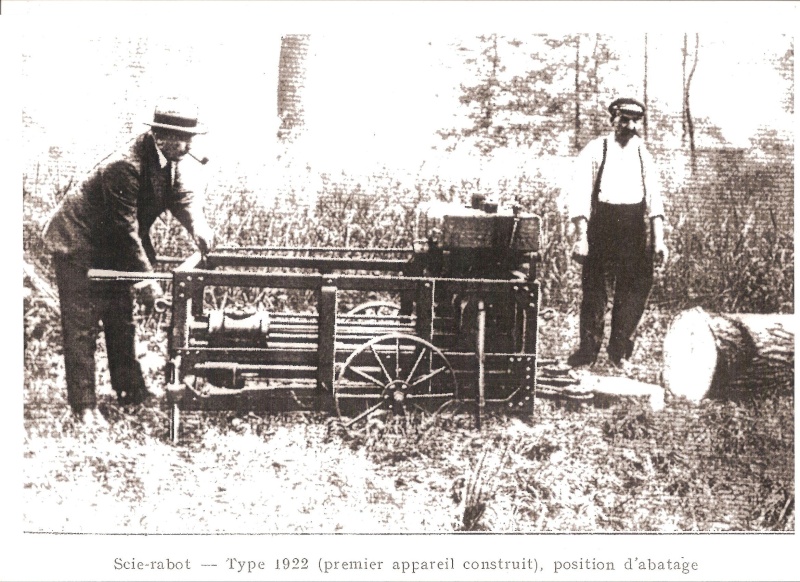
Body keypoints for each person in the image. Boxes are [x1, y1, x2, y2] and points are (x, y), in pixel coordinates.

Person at [42, 98, 214, 426]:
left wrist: (197, 224)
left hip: (110, 248)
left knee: (121, 319)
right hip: (78, 245)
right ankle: (84, 406)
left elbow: (181, 196)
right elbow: (125, 228)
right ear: (160, 135)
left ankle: (130, 390)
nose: (189, 144)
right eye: (182, 137)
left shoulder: (168, 158)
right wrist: (147, 280)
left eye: (191, 137)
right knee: (82, 326)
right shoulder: (127, 165)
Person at [566, 97, 668, 368]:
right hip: (603, 225)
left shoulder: (642, 153)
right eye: (624, 119)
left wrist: (659, 240)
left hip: (633, 228)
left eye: (635, 121)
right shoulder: (596, 149)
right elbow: (580, 196)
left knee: (633, 293)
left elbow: (655, 199)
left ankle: (619, 353)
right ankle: (587, 352)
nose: (630, 125)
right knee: (595, 293)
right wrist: (582, 238)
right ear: (613, 119)